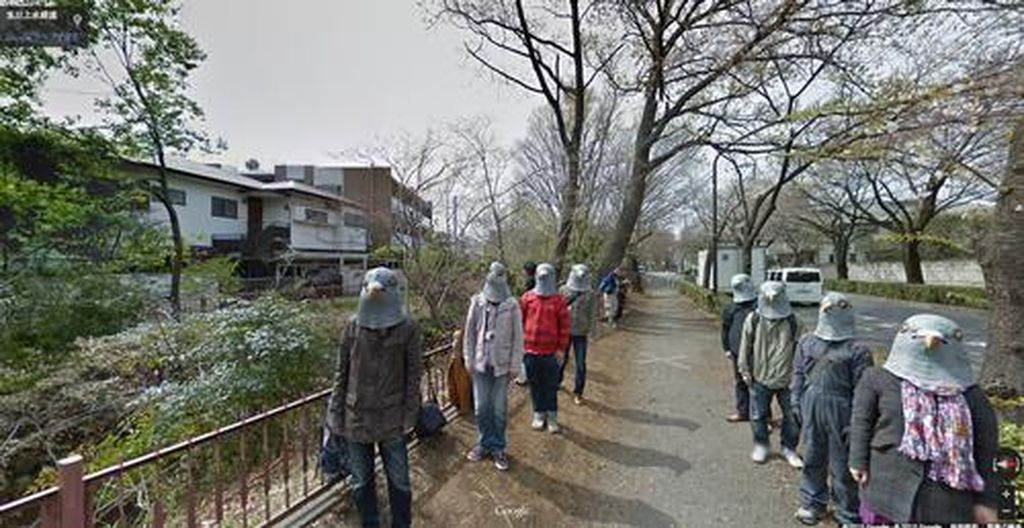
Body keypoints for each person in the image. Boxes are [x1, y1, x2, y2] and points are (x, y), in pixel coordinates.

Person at [849, 314, 999, 524]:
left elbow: (986, 450)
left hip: (947, 504)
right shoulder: (878, 379)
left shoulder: (971, 395)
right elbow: (861, 422)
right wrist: (857, 461)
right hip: (884, 490)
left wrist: (986, 501)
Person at [326, 267, 421, 528]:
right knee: (361, 481)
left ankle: (401, 524)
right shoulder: (352, 327)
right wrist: (335, 416)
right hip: (356, 417)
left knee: (400, 480)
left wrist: (410, 416)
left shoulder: (408, 328)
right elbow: (341, 373)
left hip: (393, 419)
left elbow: (413, 375)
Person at [791, 292, 873, 526]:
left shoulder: (858, 350)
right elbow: (798, 373)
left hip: (843, 409)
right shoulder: (807, 341)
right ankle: (812, 502)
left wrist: (859, 420)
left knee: (842, 464)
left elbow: (863, 390)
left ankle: (847, 512)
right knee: (812, 456)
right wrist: (796, 401)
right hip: (812, 403)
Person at [462, 262, 524, 472]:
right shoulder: (477, 302)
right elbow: (469, 333)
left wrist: (515, 365)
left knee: (499, 409)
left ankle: (498, 447)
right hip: (480, 364)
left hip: (501, 366)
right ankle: (484, 443)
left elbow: (518, 337)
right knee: (481, 407)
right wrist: (468, 358)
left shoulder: (512, 305)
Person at [738, 281, 803, 468]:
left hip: (788, 379)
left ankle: (789, 448)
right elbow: (745, 347)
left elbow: (804, 351)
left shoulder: (795, 322)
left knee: (793, 416)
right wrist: (744, 370)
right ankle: (761, 445)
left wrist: (800, 377)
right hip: (759, 376)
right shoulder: (753, 319)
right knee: (758, 415)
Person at [520, 263, 570, 433]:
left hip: (551, 353)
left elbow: (564, 327)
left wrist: (561, 349)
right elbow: (520, 322)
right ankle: (538, 414)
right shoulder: (527, 298)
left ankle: (552, 416)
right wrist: (520, 346)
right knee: (535, 384)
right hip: (530, 351)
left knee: (550, 386)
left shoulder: (558, 301)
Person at [720, 274, 758, 423]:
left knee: (758, 384)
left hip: (756, 351)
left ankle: (761, 416)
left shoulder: (759, 306)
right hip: (736, 350)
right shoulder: (731, 308)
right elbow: (725, 329)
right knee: (740, 381)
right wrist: (726, 348)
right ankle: (743, 412)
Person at [559, 264, 596, 405]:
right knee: (561, 358)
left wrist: (592, 332)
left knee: (580, 363)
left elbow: (592, 314)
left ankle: (578, 392)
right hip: (565, 330)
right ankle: (557, 381)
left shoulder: (590, 294)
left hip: (581, 332)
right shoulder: (563, 290)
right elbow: (557, 310)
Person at [514, 261, 538, 386]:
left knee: (524, 350)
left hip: (527, 320)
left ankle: (523, 378)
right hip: (536, 320)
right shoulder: (540, 283)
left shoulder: (529, 283)